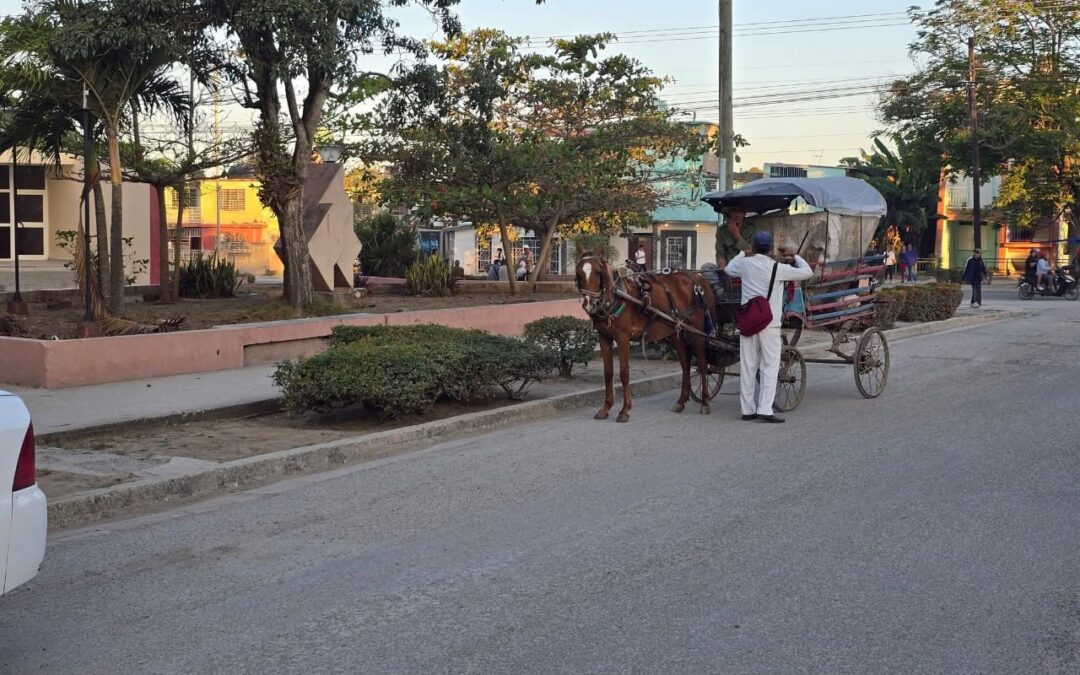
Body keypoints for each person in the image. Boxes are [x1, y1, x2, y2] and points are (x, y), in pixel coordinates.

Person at [723, 231, 814, 424]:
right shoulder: (778, 268)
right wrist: (795, 255)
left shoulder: (744, 264)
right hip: (770, 324)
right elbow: (807, 272)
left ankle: (747, 410)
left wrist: (742, 253)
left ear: (754, 247)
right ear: (770, 248)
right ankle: (765, 408)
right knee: (769, 366)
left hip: (748, 324)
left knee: (748, 366)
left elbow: (729, 269)